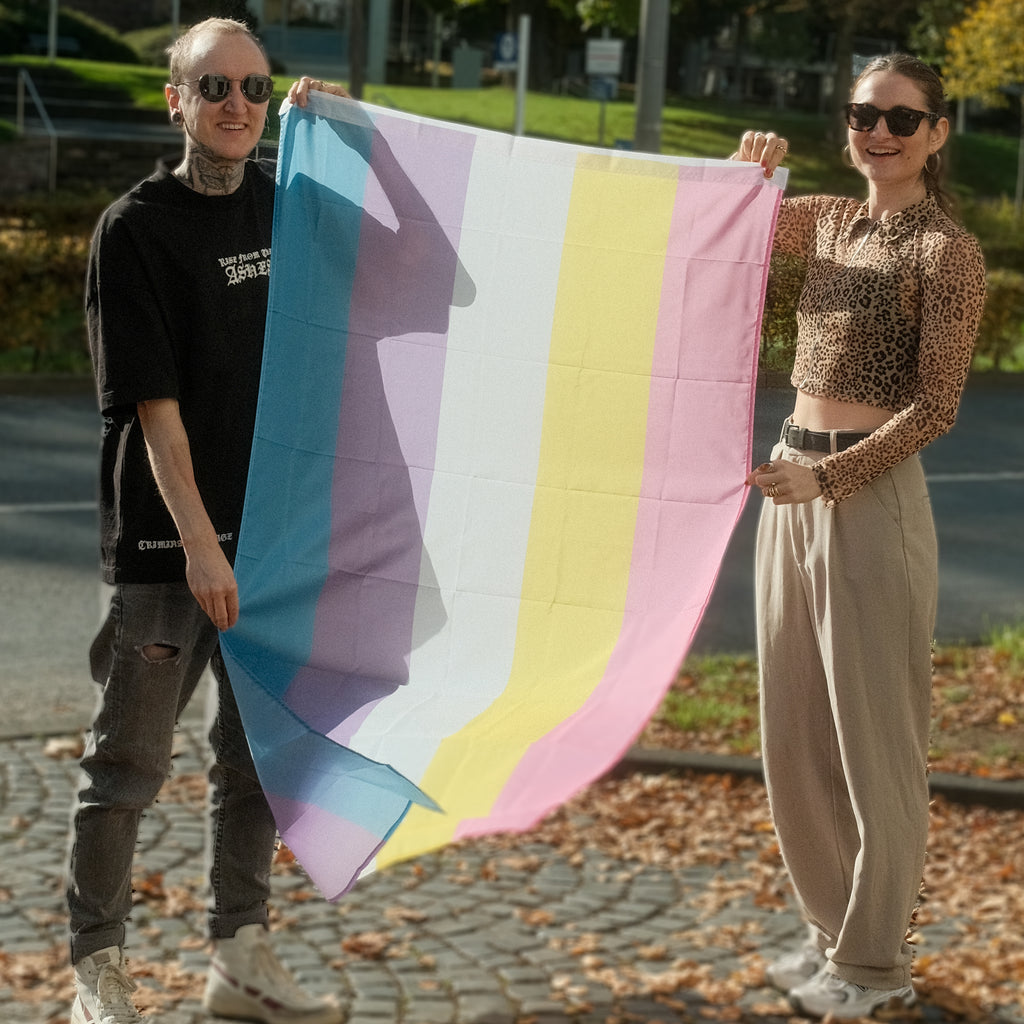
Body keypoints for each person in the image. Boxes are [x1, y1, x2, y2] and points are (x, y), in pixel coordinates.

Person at [66, 18, 356, 1024]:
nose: (238, 106)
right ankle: (96, 974)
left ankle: (240, 959)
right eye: (215, 86)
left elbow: (428, 269)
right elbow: (155, 407)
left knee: (254, 764)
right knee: (126, 766)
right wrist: (199, 545)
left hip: (272, 543)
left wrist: (345, 132)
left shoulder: (287, 205)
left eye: (256, 90)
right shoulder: (134, 227)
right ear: (175, 100)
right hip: (169, 546)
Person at [730, 54, 986, 1018]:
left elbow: (938, 407)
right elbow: (726, 226)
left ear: (936, 132)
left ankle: (876, 968)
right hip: (786, 488)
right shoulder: (832, 218)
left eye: (900, 118)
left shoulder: (946, 250)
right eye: (862, 115)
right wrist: (747, 175)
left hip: (866, 497)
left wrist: (828, 476)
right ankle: (832, 937)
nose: (877, 132)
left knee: (875, 746)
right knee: (791, 737)